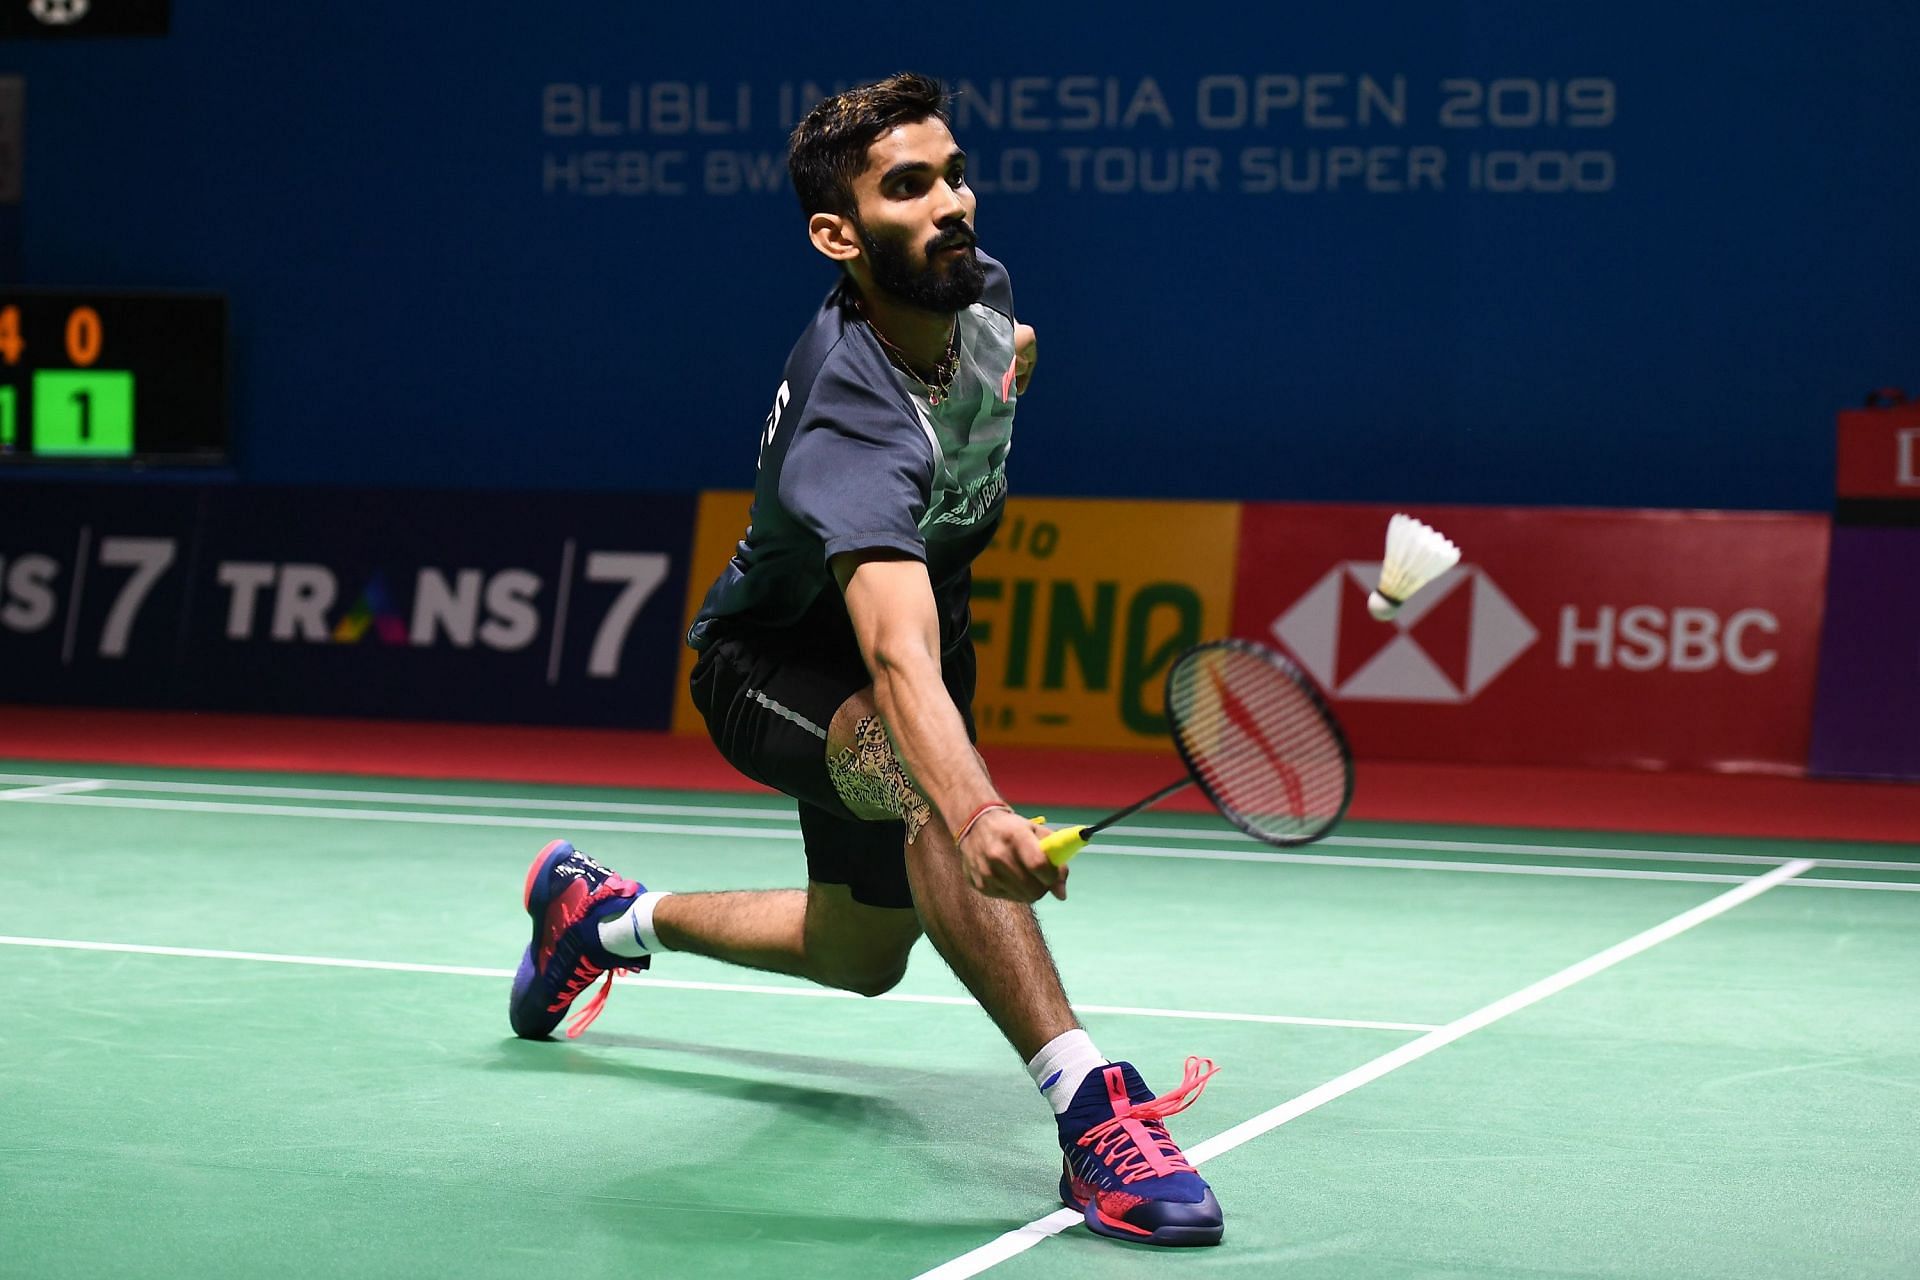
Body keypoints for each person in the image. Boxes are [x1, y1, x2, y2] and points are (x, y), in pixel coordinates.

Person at [509, 72, 1224, 1248]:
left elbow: (992, 375)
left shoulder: (975, 293)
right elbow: (894, 654)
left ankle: (601, 915)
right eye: (910, 187)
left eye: (953, 173)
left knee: (861, 954)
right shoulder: (850, 420)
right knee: (927, 795)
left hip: (919, 639)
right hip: (776, 662)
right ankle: (1093, 1109)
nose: (953, 202)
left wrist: (1009, 374)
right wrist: (975, 802)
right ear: (838, 236)